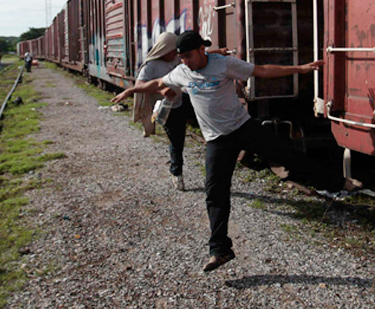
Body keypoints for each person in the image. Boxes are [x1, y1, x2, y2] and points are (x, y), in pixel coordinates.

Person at [114, 30, 346, 272]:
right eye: (182, 57)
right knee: (215, 193)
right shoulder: (181, 72)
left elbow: (261, 70)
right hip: (217, 140)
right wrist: (131, 90)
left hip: (242, 127)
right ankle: (220, 250)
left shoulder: (223, 64)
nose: (185, 61)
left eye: (189, 56)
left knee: (286, 154)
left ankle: (338, 184)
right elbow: (156, 83)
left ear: (202, 50)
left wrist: (300, 68)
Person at [112, 32, 197, 190]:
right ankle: (176, 172)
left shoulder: (176, 59)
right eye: (171, 51)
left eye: (175, 51)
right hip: (168, 109)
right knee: (177, 142)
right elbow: (140, 84)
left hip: (181, 102)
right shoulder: (151, 66)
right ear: (163, 49)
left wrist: (218, 52)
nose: (174, 55)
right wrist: (161, 91)